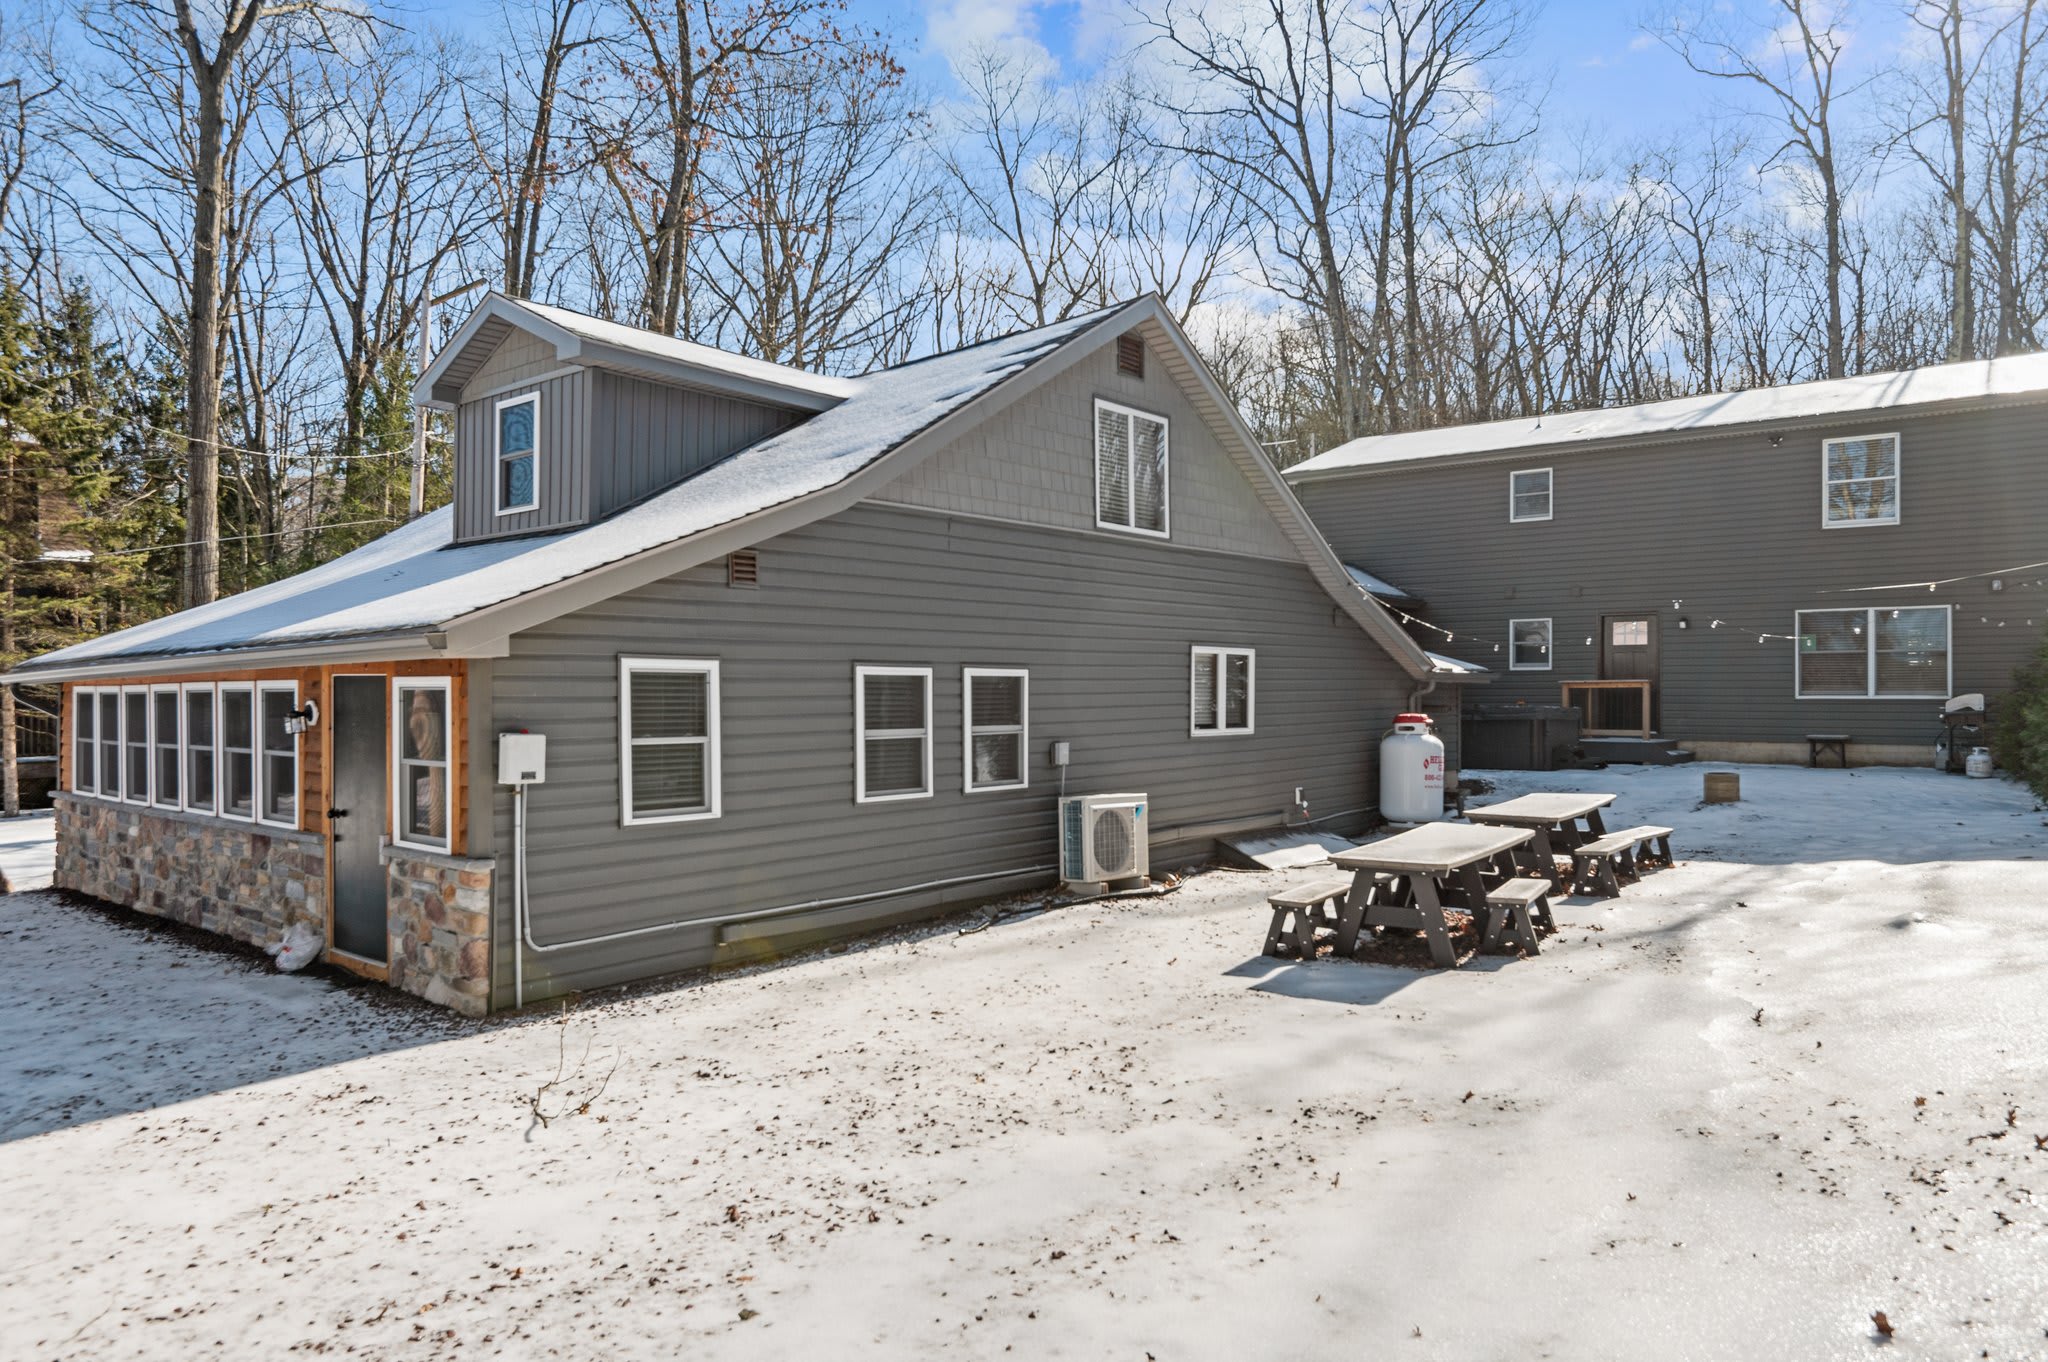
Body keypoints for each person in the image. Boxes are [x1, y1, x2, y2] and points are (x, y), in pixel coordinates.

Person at [407, 689, 447, 842]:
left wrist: (435, 765)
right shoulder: (417, 789)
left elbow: (437, 835)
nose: (416, 723)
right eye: (414, 713)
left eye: (424, 713)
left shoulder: (449, 790)